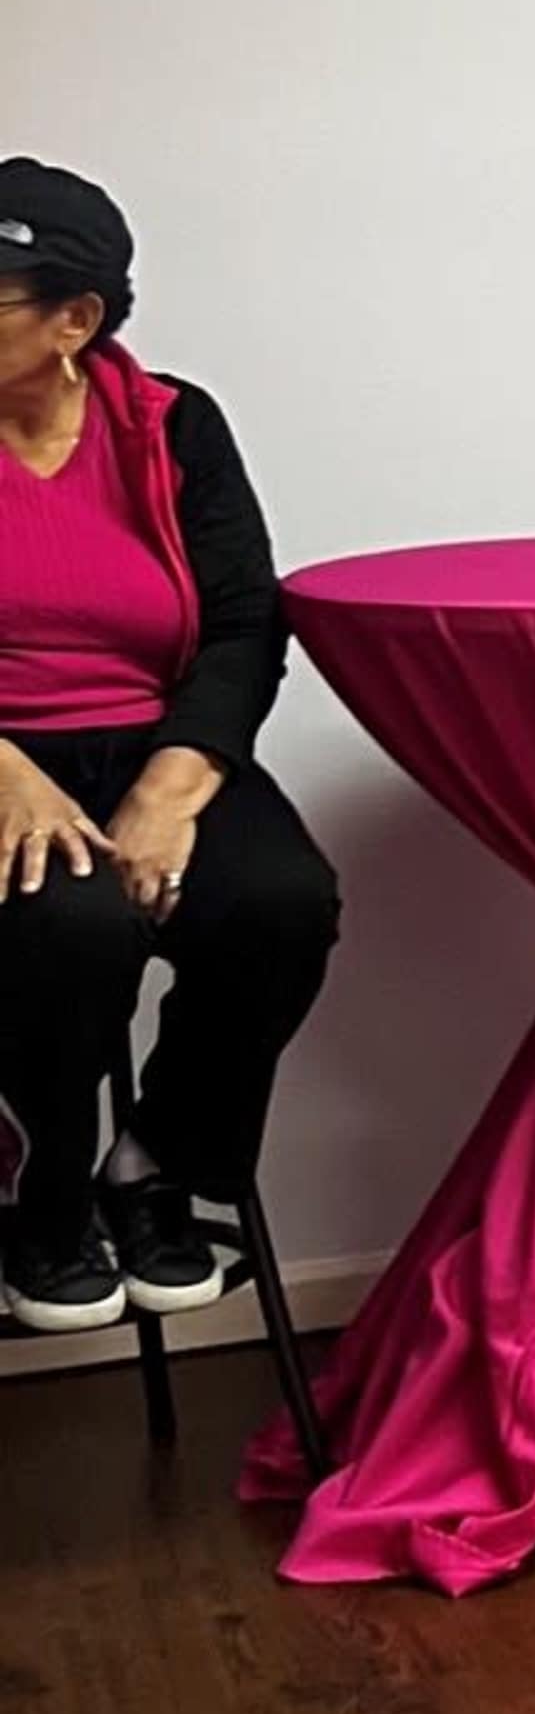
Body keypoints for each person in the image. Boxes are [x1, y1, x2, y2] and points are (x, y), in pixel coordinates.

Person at [0, 161, 340, 1332]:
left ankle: (151, 1165)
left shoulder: (173, 423)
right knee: (73, 924)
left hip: (152, 744)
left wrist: (172, 786)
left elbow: (246, 620)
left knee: (281, 902)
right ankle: (43, 1193)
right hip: (4, 758)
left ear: (75, 319)